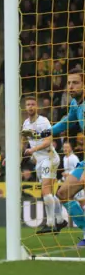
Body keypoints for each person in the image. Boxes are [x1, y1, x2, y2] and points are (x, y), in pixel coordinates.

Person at [20, 96, 66, 234]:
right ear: (25, 107)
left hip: (50, 157)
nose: (30, 107)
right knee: (49, 193)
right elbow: (23, 142)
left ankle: (50, 224)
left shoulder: (44, 122)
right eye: (28, 104)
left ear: (37, 106)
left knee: (45, 191)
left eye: (33, 104)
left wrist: (32, 150)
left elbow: (47, 141)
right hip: (40, 161)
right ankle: (60, 221)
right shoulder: (26, 124)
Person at [52, 69, 85, 247]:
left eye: (76, 83)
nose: (71, 86)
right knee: (63, 193)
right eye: (69, 83)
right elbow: (65, 122)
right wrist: (45, 132)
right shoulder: (75, 104)